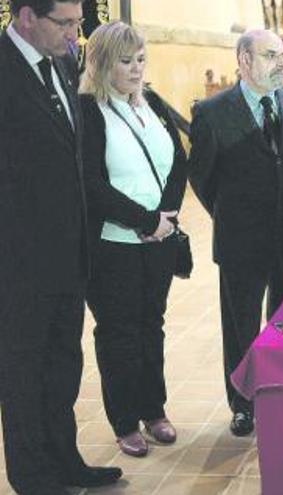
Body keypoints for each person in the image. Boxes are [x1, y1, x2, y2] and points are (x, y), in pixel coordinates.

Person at [0, 0, 123, 492]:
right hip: (18, 259)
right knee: (24, 370)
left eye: (78, 22)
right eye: (66, 23)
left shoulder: (65, 64)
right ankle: (32, 476)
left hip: (69, 254)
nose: (76, 34)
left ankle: (64, 460)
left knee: (62, 364)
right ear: (26, 16)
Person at [188, 29, 283, 437]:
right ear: (244, 61)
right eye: (270, 55)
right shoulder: (211, 112)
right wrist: (231, 214)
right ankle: (242, 404)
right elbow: (202, 179)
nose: (282, 63)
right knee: (241, 324)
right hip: (241, 240)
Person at [79, 21, 187, 458]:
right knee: (119, 333)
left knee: (151, 327)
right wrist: (144, 220)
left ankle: (154, 409)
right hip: (113, 245)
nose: (137, 69)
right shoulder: (89, 110)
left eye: (141, 59)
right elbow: (91, 183)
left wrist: (166, 217)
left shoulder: (151, 102)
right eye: (126, 61)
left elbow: (178, 159)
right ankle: (125, 420)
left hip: (157, 240)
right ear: (103, 63)